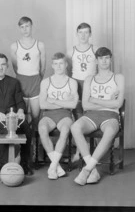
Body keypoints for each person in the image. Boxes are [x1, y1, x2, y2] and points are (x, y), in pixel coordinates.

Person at [71, 47, 124, 185]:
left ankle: (86, 170)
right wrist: (108, 102)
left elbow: (118, 104)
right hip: (91, 115)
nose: (104, 61)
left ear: (110, 59)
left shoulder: (118, 78)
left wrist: (94, 99)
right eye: (101, 58)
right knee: (75, 127)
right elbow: (85, 106)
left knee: (111, 130)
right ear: (96, 61)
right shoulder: (89, 79)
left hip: (110, 115)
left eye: (107, 58)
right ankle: (92, 170)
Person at [0, 53, 33, 175]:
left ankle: (25, 163)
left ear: (7, 66)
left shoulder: (14, 82)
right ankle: (4, 166)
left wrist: (20, 111)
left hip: (13, 117)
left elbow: (20, 102)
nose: (0, 67)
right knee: (5, 129)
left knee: (27, 129)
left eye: (3, 64)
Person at [10, 16, 46, 161]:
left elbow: (42, 67)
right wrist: (23, 78)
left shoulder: (40, 45)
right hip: (21, 81)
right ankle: (23, 151)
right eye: (22, 27)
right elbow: (15, 67)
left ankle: (37, 148)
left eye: (27, 26)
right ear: (19, 28)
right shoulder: (14, 46)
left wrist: (37, 79)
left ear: (32, 26)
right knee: (21, 118)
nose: (25, 29)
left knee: (36, 117)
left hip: (35, 80)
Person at [38, 52, 78, 180]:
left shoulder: (72, 82)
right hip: (48, 115)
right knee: (42, 129)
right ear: (52, 65)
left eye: (61, 63)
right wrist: (64, 103)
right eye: (56, 64)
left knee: (66, 130)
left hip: (65, 115)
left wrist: (53, 101)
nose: (59, 66)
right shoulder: (45, 82)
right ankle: (57, 166)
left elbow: (73, 105)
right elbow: (42, 105)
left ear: (66, 64)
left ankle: (53, 166)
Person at [66, 22, 99, 162]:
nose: (83, 35)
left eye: (86, 32)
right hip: (77, 84)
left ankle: (90, 149)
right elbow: (68, 71)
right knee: (78, 118)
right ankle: (79, 152)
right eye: (81, 33)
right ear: (77, 34)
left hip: (90, 84)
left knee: (89, 117)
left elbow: (99, 70)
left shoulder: (95, 49)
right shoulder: (70, 51)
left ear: (90, 34)